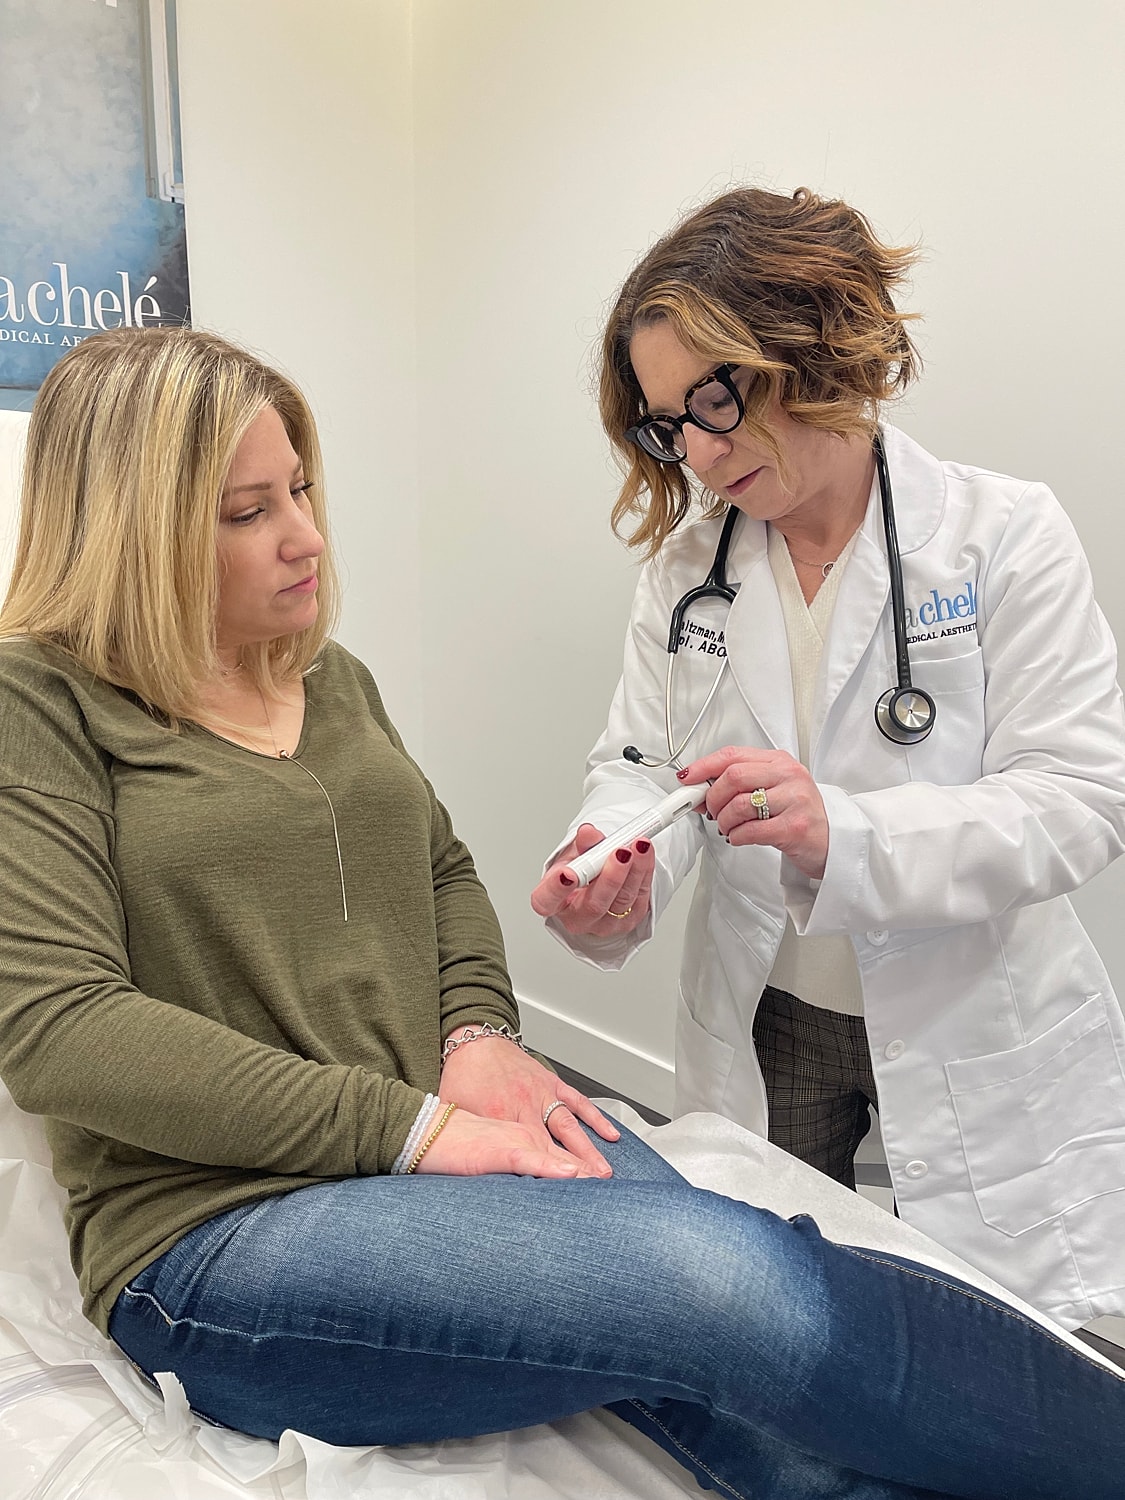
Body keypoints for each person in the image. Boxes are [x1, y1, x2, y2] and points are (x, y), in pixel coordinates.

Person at [1, 326, 1123, 1500]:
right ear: (131, 530)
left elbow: (438, 872)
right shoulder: (37, 700)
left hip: (428, 1148)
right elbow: (62, 1030)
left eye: (301, 490)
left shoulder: (322, 676)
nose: (308, 537)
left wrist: (480, 1037)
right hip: (225, 1226)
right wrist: (418, 1132)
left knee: (734, 1333)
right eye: (247, 512)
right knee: (723, 1283)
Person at [531, 185, 1125, 1332]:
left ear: (815, 342)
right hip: (771, 1012)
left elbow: (1082, 798)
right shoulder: (687, 571)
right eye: (669, 422)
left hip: (964, 1006)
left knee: (974, 1336)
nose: (699, 450)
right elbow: (643, 758)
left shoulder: (1003, 536)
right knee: (779, 1311)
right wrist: (609, 852)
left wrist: (844, 832)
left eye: (718, 396)